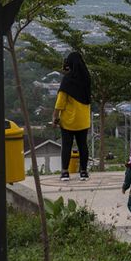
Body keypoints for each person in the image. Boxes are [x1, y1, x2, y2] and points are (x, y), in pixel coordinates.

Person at [52, 51, 91, 181]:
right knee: (82, 146)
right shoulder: (86, 78)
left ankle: (65, 172)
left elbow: (60, 101)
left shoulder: (68, 79)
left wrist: (55, 117)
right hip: (83, 120)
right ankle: (84, 172)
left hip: (68, 120)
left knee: (67, 146)